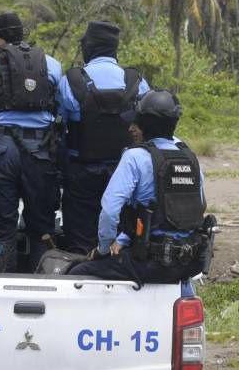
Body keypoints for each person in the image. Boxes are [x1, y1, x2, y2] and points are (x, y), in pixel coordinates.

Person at [67, 90, 211, 284]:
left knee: (76, 273)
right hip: (186, 263)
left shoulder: (135, 157)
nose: (131, 128)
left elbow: (109, 213)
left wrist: (104, 250)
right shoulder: (190, 158)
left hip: (149, 263)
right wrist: (123, 240)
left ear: (144, 124)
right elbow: (198, 206)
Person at [0, 12, 63, 272]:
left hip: (4, 150)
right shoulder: (52, 64)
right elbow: (62, 110)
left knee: (3, 225)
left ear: (2, 37)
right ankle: (44, 282)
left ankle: (4, 278)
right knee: (42, 226)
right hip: (41, 152)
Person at [57, 21, 149, 254]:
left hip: (81, 172)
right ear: (114, 49)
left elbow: (59, 124)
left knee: (79, 239)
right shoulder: (136, 81)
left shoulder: (71, 80)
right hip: (125, 171)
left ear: (88, 47)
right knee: (123, 232)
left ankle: (80, 272)